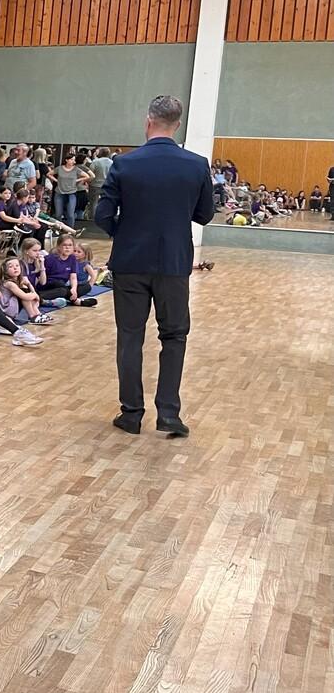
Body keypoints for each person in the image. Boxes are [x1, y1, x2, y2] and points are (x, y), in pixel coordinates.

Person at [94, 96, 212, 437]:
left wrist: (125, 233)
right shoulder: (196, 164)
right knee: (174, 336)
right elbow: (204, 214)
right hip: (174, 264)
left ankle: (131, 414)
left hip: (130, 262)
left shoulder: (124, 163)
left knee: (130, 337)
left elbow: (103, 215)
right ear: (177, 125)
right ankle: (169, 415)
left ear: (148, 121)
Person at [54, 151, 87, 230]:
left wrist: (77, 180)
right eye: (72, 159)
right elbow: (49, 174)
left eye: (74, 160)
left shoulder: (76, 169)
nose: (74, 161)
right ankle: (58, 230)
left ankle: (70, 231)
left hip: (71, 192)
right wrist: (56, 180)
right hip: (60, 192)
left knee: (71, 214)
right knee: (58, 213)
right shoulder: (59, 168)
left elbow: (87, 176)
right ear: (67, 160)